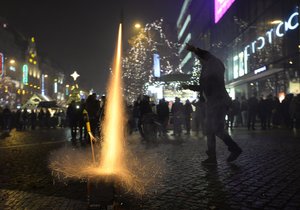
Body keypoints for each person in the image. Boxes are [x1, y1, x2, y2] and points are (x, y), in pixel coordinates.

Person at [183, 44, 242, 165]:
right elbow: (204, 87)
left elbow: (207, 56)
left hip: (218, 102)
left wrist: (195, 50)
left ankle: (229, 150)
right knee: (212, 130)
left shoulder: (214, 63)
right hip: (213, 103)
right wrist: (190, 87)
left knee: (215, 129)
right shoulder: (208, 69)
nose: (199, 62)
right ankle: (214, 156)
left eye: (200, 59)